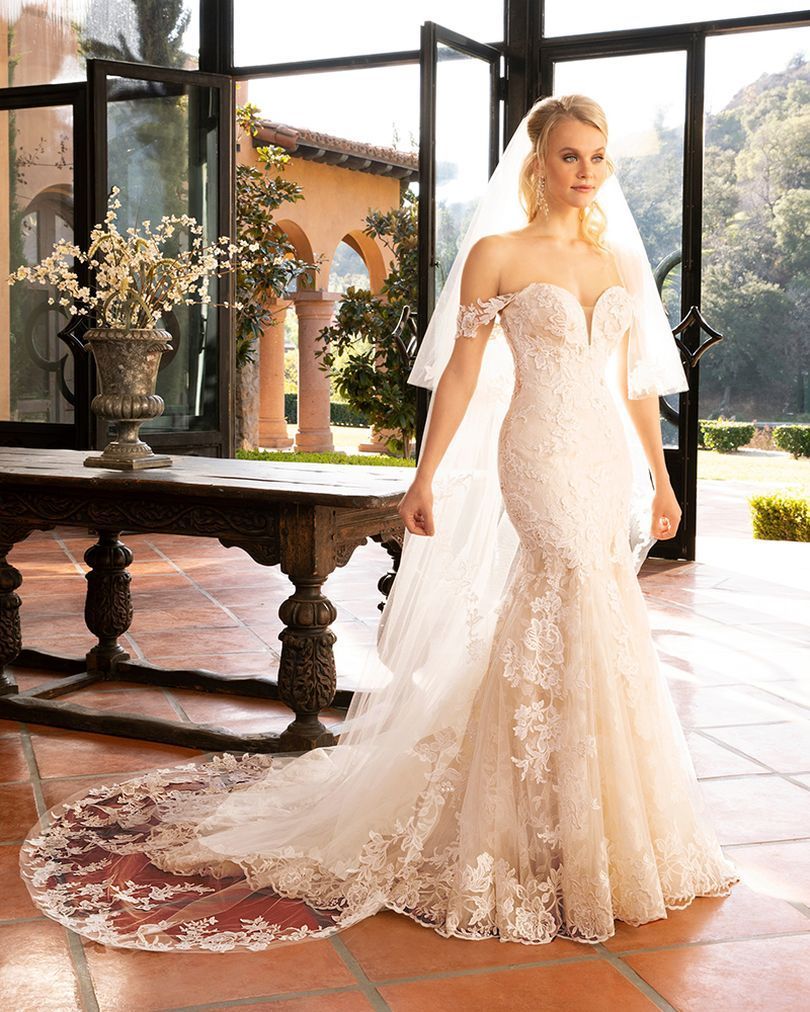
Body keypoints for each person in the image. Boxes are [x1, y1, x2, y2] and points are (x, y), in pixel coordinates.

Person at [19, 94, 739, 952]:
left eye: (597, 155)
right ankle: (529, 813)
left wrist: (661, 478)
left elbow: (635, 385)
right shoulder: (499, 254)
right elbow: (462, 377)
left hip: (604, 459)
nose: (586, 171)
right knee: (566, 589)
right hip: (540, 455)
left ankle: (586, 815)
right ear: (538, 161)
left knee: (602, 609)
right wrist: (423, 475)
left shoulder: (618, 259)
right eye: (569, 155)